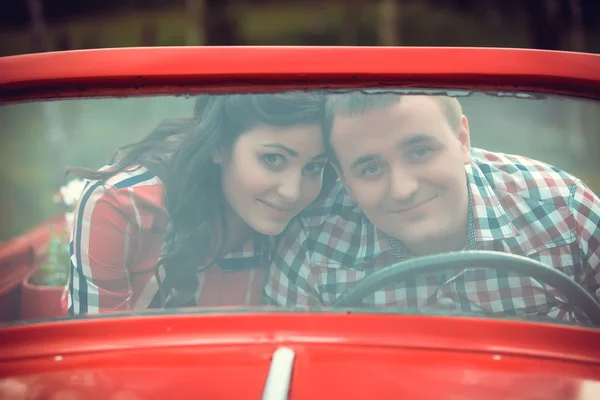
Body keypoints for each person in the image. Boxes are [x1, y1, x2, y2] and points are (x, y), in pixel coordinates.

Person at [265, 91, 600, 324]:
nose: (403, 189)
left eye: (421, 152)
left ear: (462, 141)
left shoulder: (565, 211)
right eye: (370, 168)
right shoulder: (311, 248)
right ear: (344, 180)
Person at [67, 92, 329, 314]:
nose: (293, 192)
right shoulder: (120, 205)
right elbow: (99, 354)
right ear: (219, 145)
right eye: (273, 159)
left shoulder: (312, 219)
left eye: (314, 167)